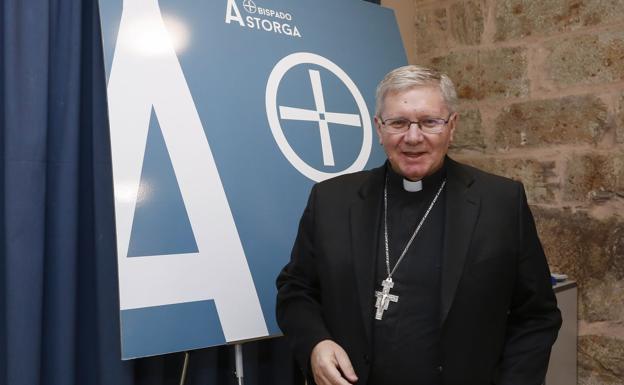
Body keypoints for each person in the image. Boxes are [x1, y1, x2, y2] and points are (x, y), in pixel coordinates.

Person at [275, 65, 562, 385]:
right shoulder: (331, 200)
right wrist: (316, 343)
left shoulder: (500, 202)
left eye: (430, 122)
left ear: (452, 126)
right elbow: (295, 291)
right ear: (378, 128)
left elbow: (536, 316)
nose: (413, 137)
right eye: (398, 122)